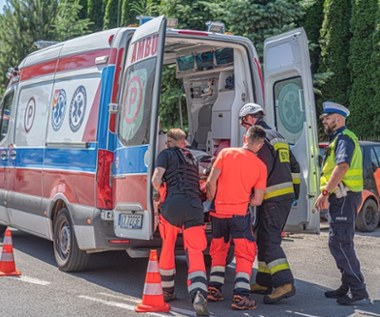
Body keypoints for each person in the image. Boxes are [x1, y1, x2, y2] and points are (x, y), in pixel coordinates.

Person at [239, 102, 300, 304]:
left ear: (249, 118)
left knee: (270, 239)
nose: (245, 128)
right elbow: (295, 166)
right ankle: (264, 280)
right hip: (282, 196)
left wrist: (245, 192)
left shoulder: (262, 138)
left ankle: (284, 283)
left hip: (272, 197)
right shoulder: (278, 136)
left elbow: (259, 169)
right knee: (264, 237)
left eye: (244, 123)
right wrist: (295, 191)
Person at [205, 125, 267, 310]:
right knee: (244, 252)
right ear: (260, 145)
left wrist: (213, 198)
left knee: (218, 249)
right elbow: (257, 200)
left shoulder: (226, 153)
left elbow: (211, 181)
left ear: (245, 139)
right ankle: (241, 296)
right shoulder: (260, 166)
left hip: (218, 212)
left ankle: (213, 289)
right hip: (240, 214)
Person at [315, 101, 369, 305]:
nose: (325, 122)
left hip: (344, 197)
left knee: (340, 242)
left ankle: (358, 290)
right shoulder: (339, 138)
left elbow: (342, 166)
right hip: (343, 198)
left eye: (327, 119)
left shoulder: (344, 138)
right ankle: (347, 285)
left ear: (338, 119)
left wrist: (325, 192)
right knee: (340, 241)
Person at [151, 128, 209, 316]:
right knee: (195, 251)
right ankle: (199, 292)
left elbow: (156, 178)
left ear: (170, 142)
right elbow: (202, 175)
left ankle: (167, 290)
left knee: (168, 246)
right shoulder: (192, 157)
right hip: (194, 207)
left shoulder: (165, 154)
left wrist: (159, 193)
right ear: (184, 142)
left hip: (173, 206)